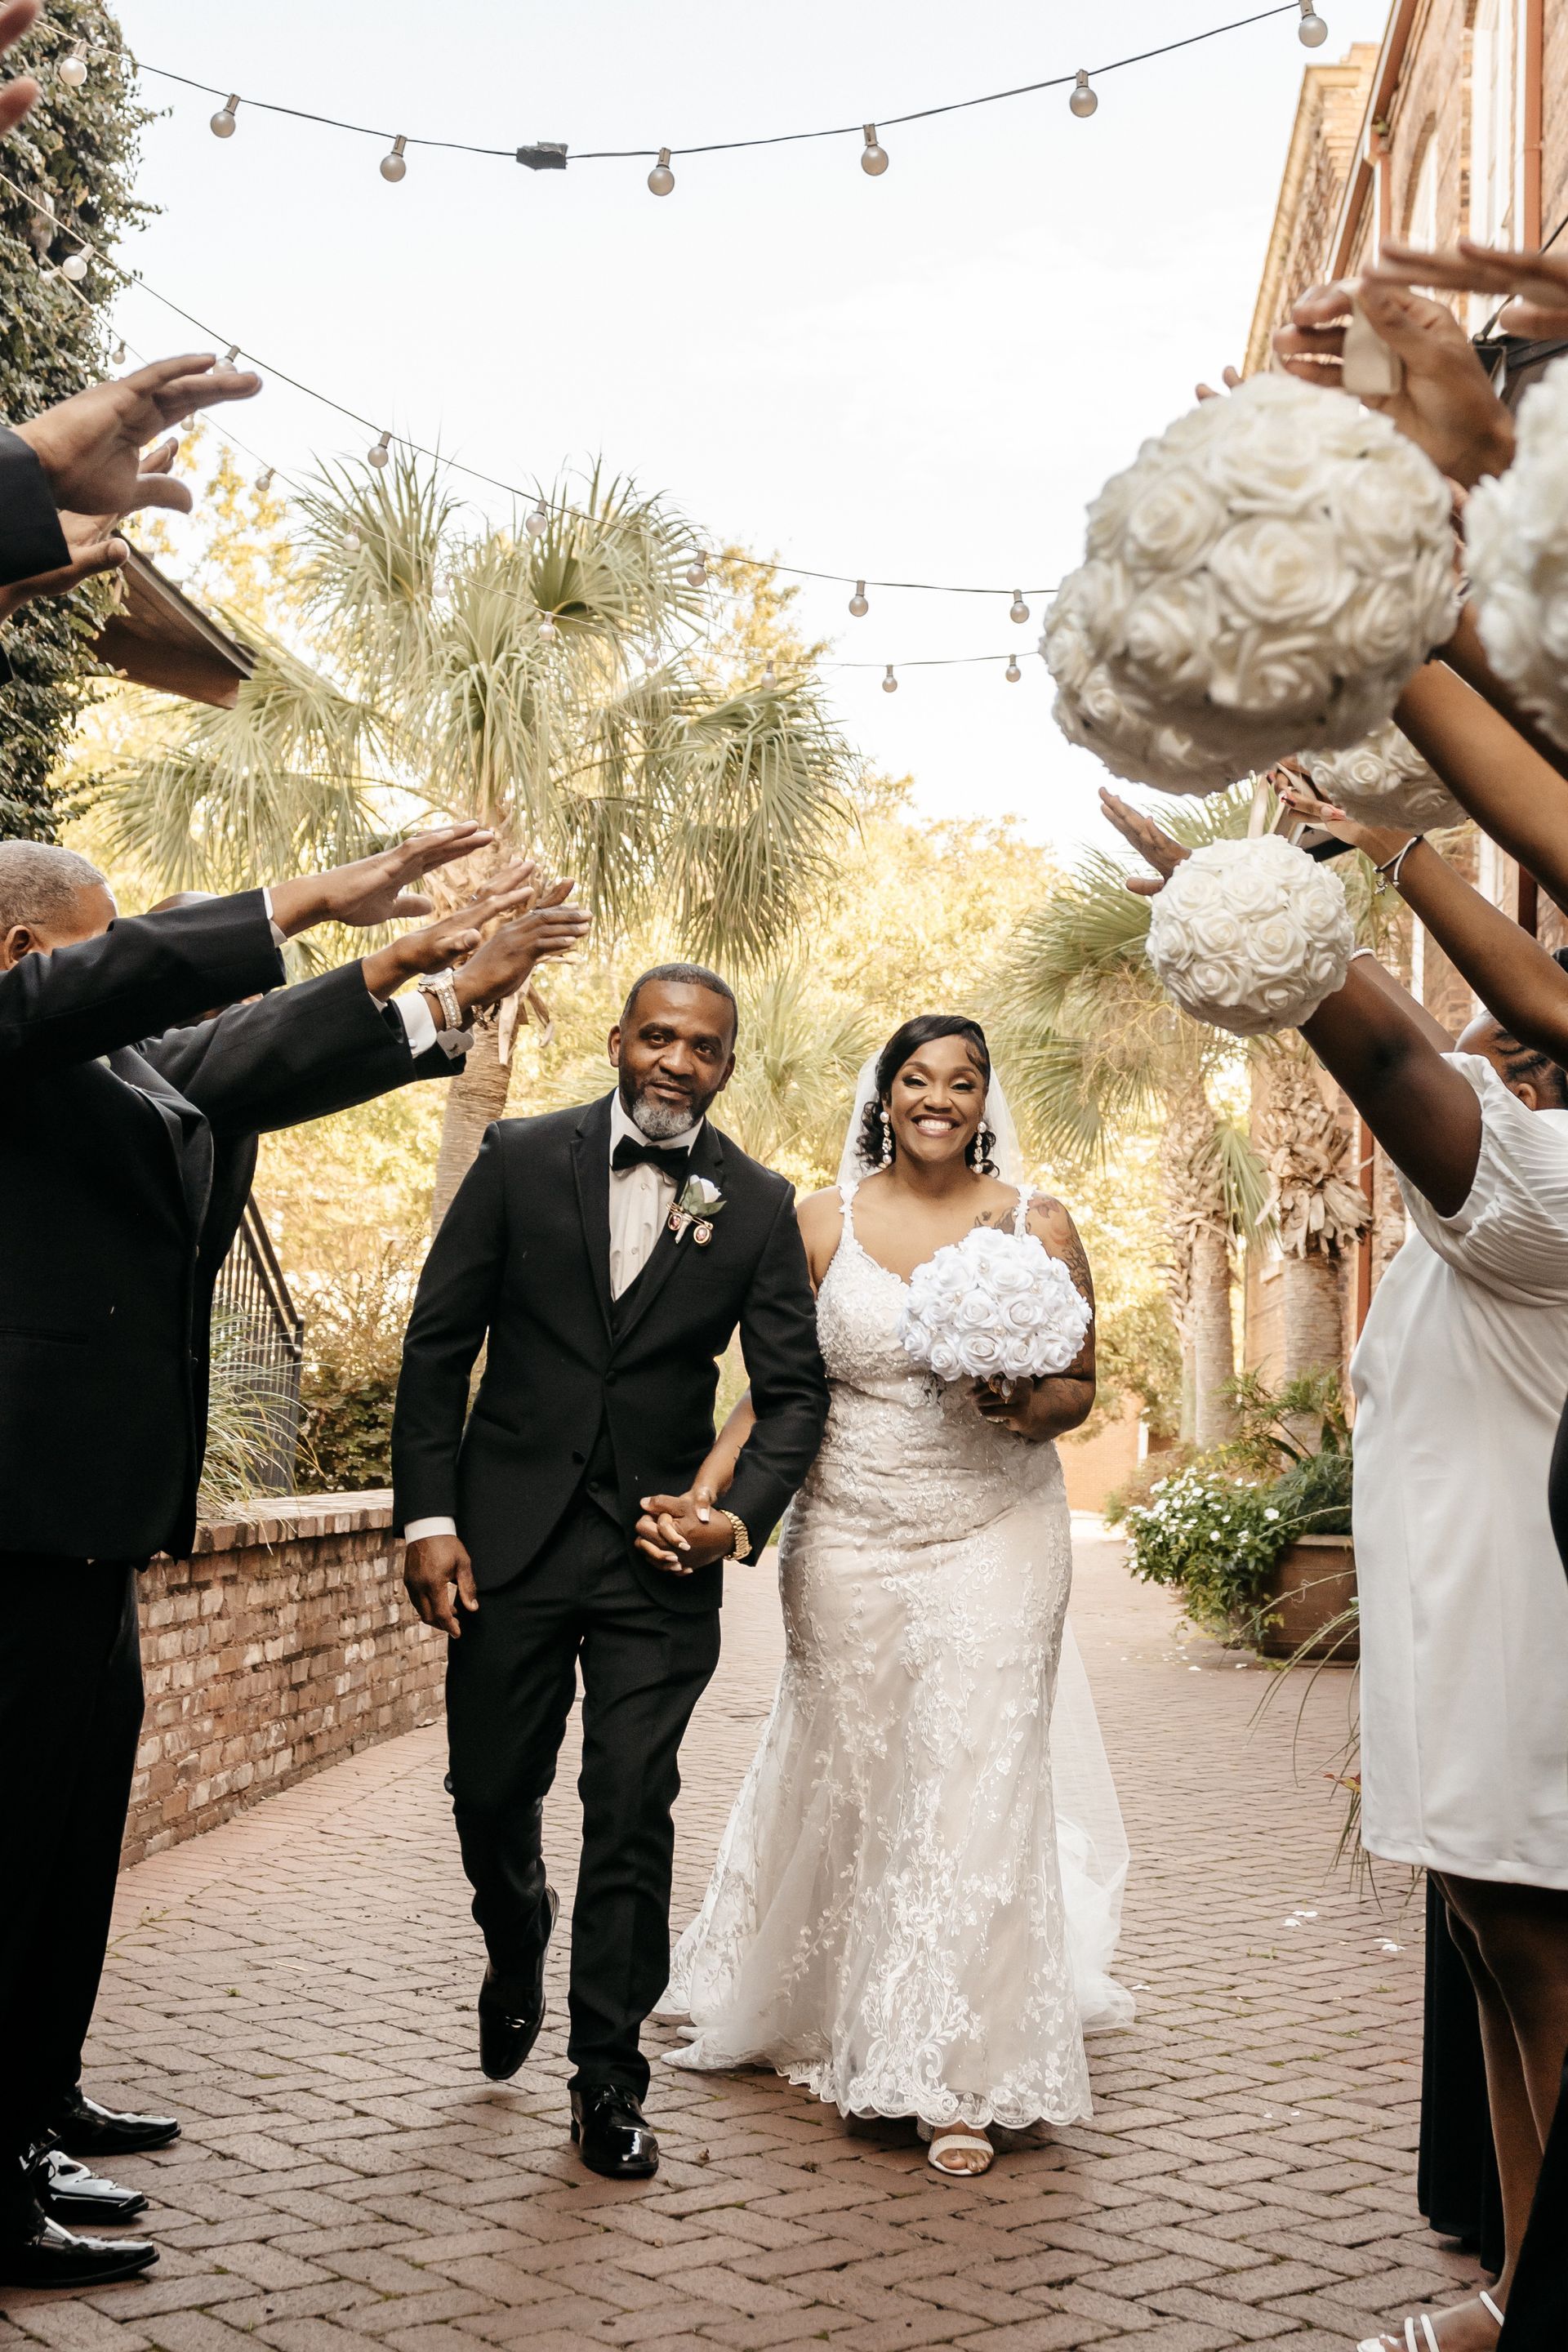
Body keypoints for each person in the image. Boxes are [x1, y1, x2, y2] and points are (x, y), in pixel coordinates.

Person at [0, 828, 585, 2287]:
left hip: (95, 1524)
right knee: (7, 1852)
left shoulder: (102, 1062)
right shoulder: (13, 1034)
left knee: (67, 1848)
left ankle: (29, 2103)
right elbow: (150, 996)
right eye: (100, 945)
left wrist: (419, 991)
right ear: (27, 957)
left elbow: (238, 1057)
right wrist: (314, 905)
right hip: (11, 1523)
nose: (128, 979)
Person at [1102, 789, 1568, 2352]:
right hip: (1463, 1642)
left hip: (1534, 1643)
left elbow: (1386, 1058)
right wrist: (1245, 896)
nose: (1487, 1041)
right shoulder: (1485, 1213)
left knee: (1547, 1979)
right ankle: (1513, 2284)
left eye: (1515, 1031)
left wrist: (1253, 906)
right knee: (1499, 1965)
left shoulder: (1547, 1205)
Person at [654, 1014, 1131, 2180]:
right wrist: (708, 1494)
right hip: (851, 1538)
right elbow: (777, 1388)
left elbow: (1083, 1382)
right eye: (917, 1080)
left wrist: (1029, 1404)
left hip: (998, 1528)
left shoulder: (1038, 1222)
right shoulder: (819, 1222)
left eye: (961, 1083)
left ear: (984, 1100)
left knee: (974, 1775)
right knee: (866, 1775)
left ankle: (954, 2071)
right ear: (886, 1095)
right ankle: (834, 1997)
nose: (938, 1099)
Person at [391, 964, 830, 2182]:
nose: (677, 1061)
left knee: (631, 1809)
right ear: (619, 1041)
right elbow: (439, 1349)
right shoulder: (521, 1158)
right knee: (489, 1791)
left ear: (726, 1067)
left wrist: (730, 1522)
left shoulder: (756, 1204)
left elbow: (794, 1397)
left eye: (702, 1046)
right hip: (508, 1543)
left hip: (655, 1556)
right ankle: (513, 1919)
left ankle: (607, 2081)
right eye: (658, 1037)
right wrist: (428, 1516)